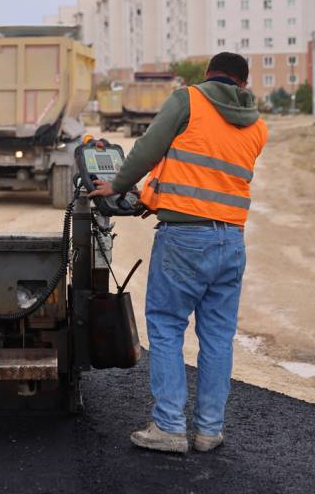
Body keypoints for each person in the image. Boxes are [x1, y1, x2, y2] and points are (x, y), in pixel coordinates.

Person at [89, 52, 268, 454]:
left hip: (186, 237)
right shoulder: (258, 125)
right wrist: (151, 197)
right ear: (243, 83)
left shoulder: (189, 100)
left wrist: (117, 185)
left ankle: (169, 427)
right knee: (218, 337)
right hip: (231, 240)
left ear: (208, 76)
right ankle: (209, 431)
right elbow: (205, 175)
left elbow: (150, 149)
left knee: (167, 327)